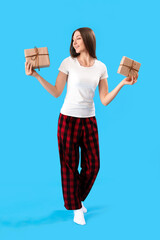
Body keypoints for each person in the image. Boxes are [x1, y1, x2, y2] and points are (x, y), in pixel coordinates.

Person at [25, 27, 138, 226]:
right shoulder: (68, 63)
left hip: (89, 121)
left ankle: (76, 199)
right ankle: (77, 208)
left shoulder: (101, 67)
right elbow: (56, 91)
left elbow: (104, 99)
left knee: (93, 165)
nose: (74, 42)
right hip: (67, 119)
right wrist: (36, 75)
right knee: (69, 165)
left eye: (78, 38)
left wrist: (122, 84)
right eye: (72, 39)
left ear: (88, 40)